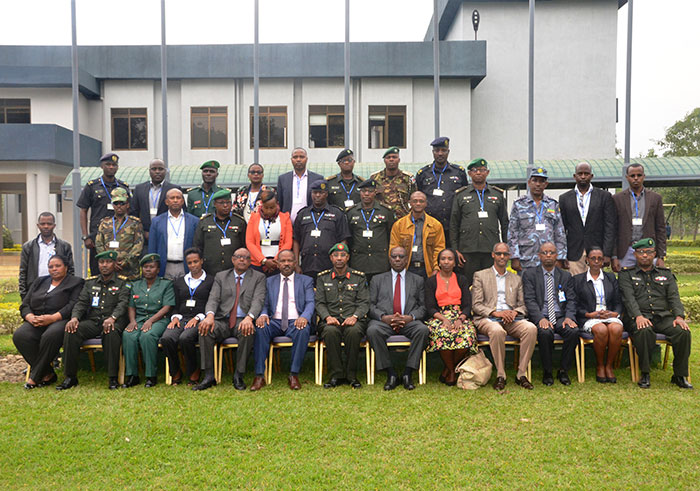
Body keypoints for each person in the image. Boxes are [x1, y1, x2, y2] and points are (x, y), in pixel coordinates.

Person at [618, 238, 692, 389]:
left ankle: (679, 375)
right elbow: (629, 299)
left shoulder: (666, 274)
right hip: (638, 317)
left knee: (682, 332)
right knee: (644, 331)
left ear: (655, 254)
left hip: (663, 317)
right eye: (641, 252)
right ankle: (645, 373)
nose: (645, 255)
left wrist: (679, 316)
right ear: (635, 254)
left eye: (649, 252)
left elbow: (674, 297)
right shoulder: (626, 274)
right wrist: (638, 316)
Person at [57, 251, 131, 391]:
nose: (104, 265)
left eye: (108, 262)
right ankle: (70, 376)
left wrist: (112, 318)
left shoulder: (123, 283)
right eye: (101, 262)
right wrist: (74, 318)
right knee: (72, 330)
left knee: (111, 332)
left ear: (115, 264)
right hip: (94, 321)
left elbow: (123, 303)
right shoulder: (90, 283)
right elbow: (81, 303)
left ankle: (112, 377)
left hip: (114, 321)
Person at [196, 248, 266, 391]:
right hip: (222, 319)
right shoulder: (221, 276)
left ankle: (238, 375)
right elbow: (213, 298)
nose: (242, 260)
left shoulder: (258, 277)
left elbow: (258, 300)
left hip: (243, 319)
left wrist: (249, 318)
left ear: (250, 261)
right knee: (205, 329)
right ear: (232, 259)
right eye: (239, 257)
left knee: (248, 331)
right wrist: (209, 316)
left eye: (246, 257)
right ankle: (208, 375)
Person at [471, 243, 537, 390]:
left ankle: (521, 374)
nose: (502, 257)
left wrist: (514, 312)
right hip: (488, 318)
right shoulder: (480, 275)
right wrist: (495, 312)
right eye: (499, 254)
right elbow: (476, 305)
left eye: (505, 254)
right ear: (493, 255)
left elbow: (523, 305)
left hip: (512, 319)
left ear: (509, 256)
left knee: (531, 328)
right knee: (497, 331)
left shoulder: (516, 279)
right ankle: (501, 374)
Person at [14, 255, 83, 389]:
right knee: (20, 336)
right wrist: (30, 317)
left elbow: (73, 304)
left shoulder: (76, 282)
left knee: (50, 336)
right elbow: (25, 304)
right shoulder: (40, 281)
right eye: (51, 267)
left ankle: (34, 377)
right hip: (36, 320)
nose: (54, 269)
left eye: (58, 266)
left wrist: (53, 318)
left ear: (66, 267)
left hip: (60, 320)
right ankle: (48, 373)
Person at [367, 246, 429, 391]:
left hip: (408, 321)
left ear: (407, 259)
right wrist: (383, 317)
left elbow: (423, 307)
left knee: (423, 330)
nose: (397, 259)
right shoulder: (377, 279)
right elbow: (370, 305)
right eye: (394, 256)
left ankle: (408, 372)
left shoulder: (418, 280)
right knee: (372, 330)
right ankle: (391, 373)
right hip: (385, 322)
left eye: (401, 256)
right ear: (389, 259)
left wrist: (411, 317)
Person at [252, 250, 315, 391]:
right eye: (283, 261)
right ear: (278, 264)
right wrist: (262, 314)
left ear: (295, 263)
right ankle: (259, 375)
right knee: (261, 328)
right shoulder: (268, 281)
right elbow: (264, 304)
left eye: (290, 261)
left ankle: (294, 374)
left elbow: (310, 302)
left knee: (303, 330)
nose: (286, 264)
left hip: (295, 320)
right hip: (274, 320)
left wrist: (304, 317)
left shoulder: (306, 280)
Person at [522, 242, 579, 386]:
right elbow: (529, 300)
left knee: (573, 331)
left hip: (560, 316)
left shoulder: (565, 276)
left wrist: (569, 317)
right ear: (539, 256)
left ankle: (563, 371)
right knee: (545, 332)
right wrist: (540, 318)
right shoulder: (530, 275)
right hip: (541, 316)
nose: (548, 255)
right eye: (545, 252)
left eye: (551, 252)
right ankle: (547, 371)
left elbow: (572, 299)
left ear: (557, 255)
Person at [315, 243, 369, 389]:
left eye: (343, 255)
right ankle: (336, 375)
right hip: (330, 319)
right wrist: (327, 317)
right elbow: (319, 303)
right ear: (331, 258)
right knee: (330, 331)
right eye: (336, 256)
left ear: (348, 258)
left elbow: (364, 302)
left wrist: (355, 316)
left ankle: (351, 375)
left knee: (353, 332)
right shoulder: (322, 278)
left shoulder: (359, 277)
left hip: (353, 319)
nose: (339, 258)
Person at [160, 247, 214, 386]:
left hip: (200, 319)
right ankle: (175, 371)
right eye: (189, 263)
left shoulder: (210, 281)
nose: (193, 265)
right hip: (182, 317)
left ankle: (193, 371)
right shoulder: (179, 282)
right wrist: (175, 318)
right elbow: (176, 305)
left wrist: (198, 318)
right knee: (167, 338)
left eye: (195, 261)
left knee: (185, 338)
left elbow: (212, 304)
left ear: (202, 261)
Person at [449, 158, 509, 284]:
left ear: (487, 172)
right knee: (469, 283)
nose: (478, 173)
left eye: (482, 170)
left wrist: (506, 246)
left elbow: (504, 223)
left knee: (490, 283)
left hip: (490, 248)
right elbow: (454, 224)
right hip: (467, 249)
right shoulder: (461, 195)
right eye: (475, 170)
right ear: (469, 174)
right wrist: (455, 249)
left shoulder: (497, 195)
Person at [424, 249, 478, 386]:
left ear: (455, 262)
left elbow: (467, 304)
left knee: (467, 334)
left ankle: (448, 369)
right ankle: (452, 371)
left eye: (450, 259)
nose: (446, 262)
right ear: (439, 262)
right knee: (442, 332)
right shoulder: (431, 281)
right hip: (439, 316)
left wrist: (460, 319)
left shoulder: (461, 279)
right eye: (443, 259)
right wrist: (443, 319)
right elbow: (430, 307)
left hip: (460, 315)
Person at [122, 253, 175, 388]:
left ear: (157, 270)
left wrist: (151, 320)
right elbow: (131, 306)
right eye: (145, 267)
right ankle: (132, 375)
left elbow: (167, 306)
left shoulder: (166, 284)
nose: (148, 270)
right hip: (139, 319)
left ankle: (151, 376)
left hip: (159, 320)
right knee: (128, 335)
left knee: (148, 335)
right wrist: (132, 321)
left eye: (151, 267)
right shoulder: (136, 285)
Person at [572, 246, 623, 383]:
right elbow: (574, 304)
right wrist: (589, 314)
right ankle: (600, 365)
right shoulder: (578, 280)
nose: (596, 261)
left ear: (603, 261)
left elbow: (618, 301)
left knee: (616, 329)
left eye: (599, 259)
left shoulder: (611, 278)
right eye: (593, 258)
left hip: (609, 316)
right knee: (601, 329)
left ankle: (609, 366)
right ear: (587, 260)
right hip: (590, 317)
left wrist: (614, 313)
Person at [559, 162, 617, 275]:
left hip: (597, 251)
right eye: (580, 173)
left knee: (594, 285)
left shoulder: (604, 196)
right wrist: (562, 254)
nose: (583, 176)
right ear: (574, 176)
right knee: (575, 285)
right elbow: (561, 229)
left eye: (586, 173)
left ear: (591, 176)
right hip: (574, 251)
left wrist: (607, 253)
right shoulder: (564, 198)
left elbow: (610, 227)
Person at [77, 152, 130, 275]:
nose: (111, 167)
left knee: (120, 272)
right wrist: (85, 236)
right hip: (97, 238)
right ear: (102, 166)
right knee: (98, 271)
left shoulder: (123, 186)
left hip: (120, 237)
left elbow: (129, 210)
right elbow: (83, 210)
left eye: (114, 165)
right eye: (108, 164)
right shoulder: (92, 186)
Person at [508, 167, 567, 273]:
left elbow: (560, 233)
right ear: (529, 182)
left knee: (548, 288)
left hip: (548, 259)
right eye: (535, 180)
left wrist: (560, 257)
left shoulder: (552, 204)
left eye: (541, 181)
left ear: (546, 184)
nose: (538, 184)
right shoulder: (519, 204)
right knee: (527, 289)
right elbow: (513, 232)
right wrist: (514, 257)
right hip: (526, 258)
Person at [612, 164, 666, 273]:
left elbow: (660, 228)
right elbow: (613, 229)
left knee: (649, 285)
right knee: (626, 285)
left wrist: (661, 256)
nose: (636, 178)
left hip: (648, 250)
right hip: (626, 250)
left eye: (639, 175)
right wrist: (614, 256)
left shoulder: (655, 198)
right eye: (632, 175)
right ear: (627, 177)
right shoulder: (617, 199)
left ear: (644, 176)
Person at [293, 179, 350, 280]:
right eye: (315, 192)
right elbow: (296, 240)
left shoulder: (337, 213)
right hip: (307, 264)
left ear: (327, 194)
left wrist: (340, 261)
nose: (318, 195)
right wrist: (296, 264)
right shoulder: (303, 214)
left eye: (321, 193)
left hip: (329, 264)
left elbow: (343, 239)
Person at [346, 179, 395, 284]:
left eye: (370, 191)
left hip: (380, 262)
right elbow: (349, 237)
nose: (367, 194)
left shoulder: (386, 211)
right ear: (360, 193)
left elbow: (391, 234)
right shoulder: (351, 212)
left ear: (375, 192)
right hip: (358, 261)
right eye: (364, 191)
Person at [415, 137, 468, 229]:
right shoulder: (423, 173)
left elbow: (464, 195)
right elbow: (418, 195)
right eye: (437, 150)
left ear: (448, 152)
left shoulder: (459, 172)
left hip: (453, 224)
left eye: (443, 150)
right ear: (433, 152)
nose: (440, 153)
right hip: (429, 225)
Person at [19, 212, 74, 300]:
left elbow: (70, 270)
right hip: (35, 290)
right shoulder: (28, 247)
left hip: (59, 290)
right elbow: (23, 272)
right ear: (38, 225)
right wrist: (24, 296)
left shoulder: (64, 246)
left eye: (49, 224)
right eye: (42, 224)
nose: (46, 226)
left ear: (54, 225)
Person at [389, 191, 445, 279]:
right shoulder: (399, 225)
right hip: (406, 269)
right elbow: (394, 247)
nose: (418, 204)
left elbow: (439, 248)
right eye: (415, 201)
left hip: (427, 270)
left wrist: (436, 268)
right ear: (410, 203)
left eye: (421, 201)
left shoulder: (435, 225)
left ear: (426, 203)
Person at [193, 189, 247, 276]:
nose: (225, 205)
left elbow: (244, 246)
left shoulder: (239, 222)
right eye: (221, 203)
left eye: (228, 202)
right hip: (210, 270)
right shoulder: (205, 222)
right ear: (215, 204)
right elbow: (197, 246)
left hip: (234, 270)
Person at [148, 188, 198, 279]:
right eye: (172, 198)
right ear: (166, 202)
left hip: (186, 265)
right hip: (165, 266)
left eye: (178, 198)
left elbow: (197, 245)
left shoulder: (194, 221)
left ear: (182, 201)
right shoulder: (157, 221)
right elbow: (152, 246)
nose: (175, 200)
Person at [94, 188, 144, 280]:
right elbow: (99, 244)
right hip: (109, 271)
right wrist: (109, 262)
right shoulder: (105, 223)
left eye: (122, 203)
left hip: (130, 271)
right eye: (116, 204)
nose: (119, 206)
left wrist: (125, 261)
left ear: (127, 205)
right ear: (113, 205)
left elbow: (138, 245)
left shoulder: (135, 223)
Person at [130, 159, 180, 241]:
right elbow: (134, 212)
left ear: (165, 171)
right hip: (144, 235)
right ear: (149, 171)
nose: (157, 172)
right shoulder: (139, 189)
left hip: (167, 234)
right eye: (154, 169)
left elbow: (179, 213)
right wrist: (141, 230)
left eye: (160, 169)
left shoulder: (174, 189)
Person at [246, 190, 293, 276]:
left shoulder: (285, 218)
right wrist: (263, 260)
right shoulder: (254, 218)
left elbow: (288, 242)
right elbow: (249, 242)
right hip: (257, 263)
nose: (269, 211)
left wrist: (277, 260)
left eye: (272, 207)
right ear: (261, 205)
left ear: (277, 204)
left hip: (278, 263)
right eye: (266, 207)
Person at [276, 147, 323, 222]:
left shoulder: (317, 178)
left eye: (301, 157)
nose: (298, 159)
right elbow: (280, 202)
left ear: (306, 159)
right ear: (291, 160)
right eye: (295, 157)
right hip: (287, 223)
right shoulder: (283, 179)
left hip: (310, 222)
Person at [370, 146, 416, 219]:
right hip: (381, 220)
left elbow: (414, 198)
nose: (391, 159)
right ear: (384, 160)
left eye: (394, 157)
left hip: (402, 219)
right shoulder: (375, 178)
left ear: (399, 160)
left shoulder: (408, 178)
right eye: (388, 157)